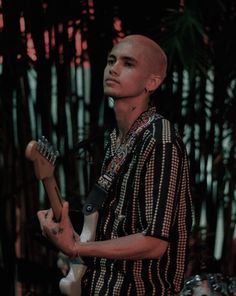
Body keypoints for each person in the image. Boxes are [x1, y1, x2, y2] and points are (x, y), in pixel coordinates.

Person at [37, 34, 194, 295]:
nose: (114, 68)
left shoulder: (160, 139)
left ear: (152, 82)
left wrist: (77, 248)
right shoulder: (116, 138)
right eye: (111, 60)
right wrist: (64, 233)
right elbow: (113, 227)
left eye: (128, 63)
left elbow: (154, 242)